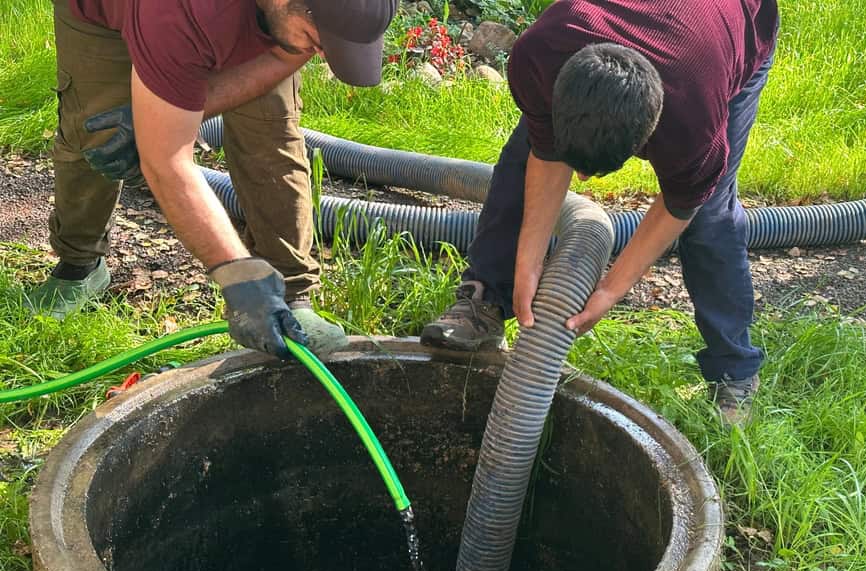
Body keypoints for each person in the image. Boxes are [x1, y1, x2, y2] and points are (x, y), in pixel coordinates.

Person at [420, 0, 779, 424]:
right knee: (522, 156)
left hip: (734, 25)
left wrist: (609, 291)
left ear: (647, 138)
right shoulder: (540, 54)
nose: (583, 182)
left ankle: (733, 369)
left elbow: (680, 205)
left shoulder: (692, 117)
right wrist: (527, 261)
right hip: (614, 36)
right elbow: (543, 152)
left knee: (710, 217)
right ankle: (484, 300)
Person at [27, 0, 396, 359]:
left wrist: (162, 113)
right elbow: (167, 163)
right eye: (319, 41)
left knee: (270, 135)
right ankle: (80, 265)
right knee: (97, 137)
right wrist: (238, 276)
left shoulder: (309, 14)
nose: (322, 55)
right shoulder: (181, 12)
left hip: (229, 18)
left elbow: (290, 51)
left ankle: (290, 292)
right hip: (106, 12)